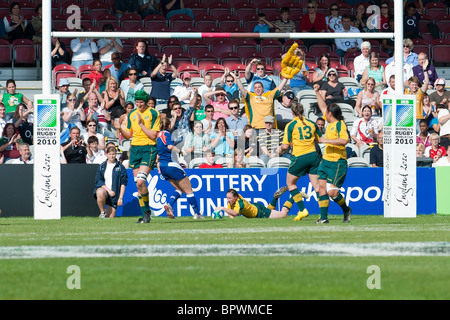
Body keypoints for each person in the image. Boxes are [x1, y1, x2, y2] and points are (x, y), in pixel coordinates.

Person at [113, 90, 160, 223]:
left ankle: (147, 212)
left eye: (141, 102)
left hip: (148, 148)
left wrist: (140, 124)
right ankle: (145, 215)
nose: (139, 104)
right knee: (138, 184)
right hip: (135, 149)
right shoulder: (132, 114)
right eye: (137, 102)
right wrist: (119, 128)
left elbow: (153, 135)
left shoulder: (153, 113)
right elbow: (128, 135)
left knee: (140, 181)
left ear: (145, 102)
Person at [314, 84, 352, 224]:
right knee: (321, 189)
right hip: (325, 161)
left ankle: (346, 209)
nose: (324, 112)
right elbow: (322, 105)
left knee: (332, 193)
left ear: (330, 114)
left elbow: (345, 140)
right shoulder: (330, 122)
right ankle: (324, 218)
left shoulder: (340, 124)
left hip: (337, 162)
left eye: (326, 112)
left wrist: (325, 140)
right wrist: (317, 92)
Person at [278, 100, 321, 222]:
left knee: (290, 183)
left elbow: (285, 146)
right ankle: (323, 213)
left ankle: (302, 209)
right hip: (313, 155)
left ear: (292, 112)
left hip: (300, 156)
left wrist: (280, 148)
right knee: (316, 186)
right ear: (303, 111)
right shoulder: (312, 123)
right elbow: (318, 140)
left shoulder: (291, 125)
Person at [157, 118, 204, 219]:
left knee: (178, 189)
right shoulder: (166, 134)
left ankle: (169, 204)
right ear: (169, 126)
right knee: (189, 190)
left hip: (163, 166)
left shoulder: (158, 136)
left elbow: (158, 154)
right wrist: (180, 151)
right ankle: (197, 213)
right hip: (171, 165)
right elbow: (170, 146)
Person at [215, 187, 296, 219]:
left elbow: (235, 213)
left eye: (230, 198)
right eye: (227, 198)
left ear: (235, 197)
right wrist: (231, 217)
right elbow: (231, 213)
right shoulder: (232, 201)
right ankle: (275, 198)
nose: (228, 200)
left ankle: (294, 197)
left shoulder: (239, 203)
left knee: (283, 215)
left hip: (259, 212)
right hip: (255, 207)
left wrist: (222, 208)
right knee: (270, 212)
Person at [94, 145, 128, 218]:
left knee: (111, 217)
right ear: (106, 155)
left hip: (114, 194)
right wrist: (108, 190)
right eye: (110, 154)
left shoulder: (120, 167)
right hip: (106, 190)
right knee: (99, 192)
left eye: (113, 154)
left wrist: (120, 198)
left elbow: (123, 183)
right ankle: (102, 212)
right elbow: (98, 180)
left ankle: (107, 213)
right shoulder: (102, 166)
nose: (111, 156)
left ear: (115, 154)